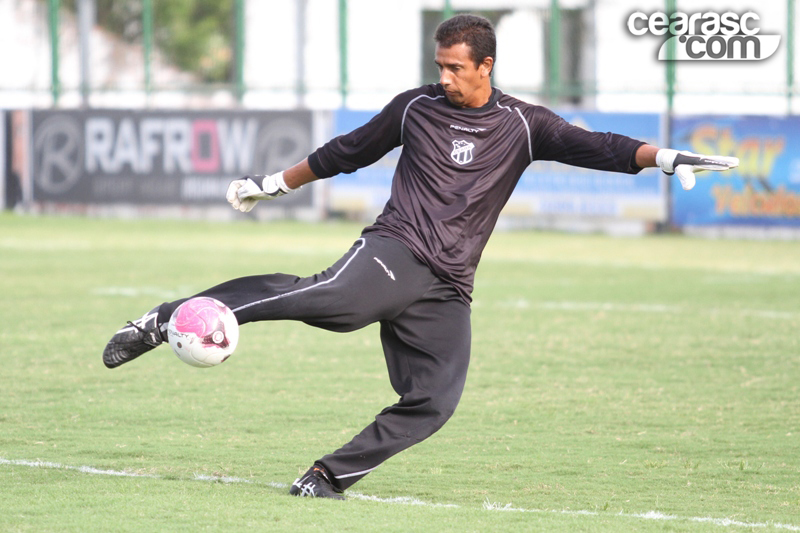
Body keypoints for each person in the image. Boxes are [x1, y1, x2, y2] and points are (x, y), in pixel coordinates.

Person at [102, 14, 738, 500]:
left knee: (434, 400)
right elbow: (346, 151)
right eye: (440, 65)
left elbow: (596, 145)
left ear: (485, 66)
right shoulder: (415, 107)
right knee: (331, 305)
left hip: (448, 285)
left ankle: (325, 477)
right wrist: (273, 183)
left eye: (456, 67)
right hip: (394, 249)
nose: (444, 76)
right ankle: (165, 319)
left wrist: (667, 157)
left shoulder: (524, 124)